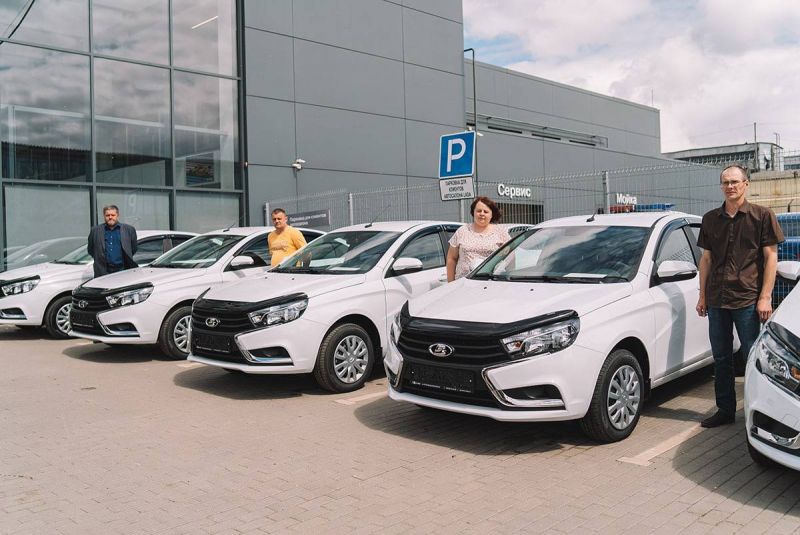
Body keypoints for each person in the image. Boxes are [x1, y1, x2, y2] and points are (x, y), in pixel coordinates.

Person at [696, 164, 784, 428]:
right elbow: (706, 260)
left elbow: (771, 258)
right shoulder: (710, 219)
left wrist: (765, 297)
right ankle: (725, 411)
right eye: (725, 182)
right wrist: (702, 296)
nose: (730, 186)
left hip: (747, 299)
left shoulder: (762, 216)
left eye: (735, 181)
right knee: (721, 358)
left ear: (746, 184)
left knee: (752, 357)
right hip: (717, 300)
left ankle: (760, 411)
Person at [446, 196, 510, 282]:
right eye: (479, 211)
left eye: (486, 211)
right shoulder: (462, 231)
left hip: (492, 283)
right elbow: (451, 258)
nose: (482, 214)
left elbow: (511, 256)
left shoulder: (501, 232)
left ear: (491, 215)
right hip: (463, 283)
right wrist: (451, 283)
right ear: (473, 212)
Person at [87, 205, 138, 278]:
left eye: (113, 215)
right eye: (107, 215)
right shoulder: (95, 231)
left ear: (117, 215)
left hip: (123, 271)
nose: (110, 217)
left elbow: (133, 248)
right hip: (102, 272)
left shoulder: (129, 230)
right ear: (104, 216)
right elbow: (91, 249)